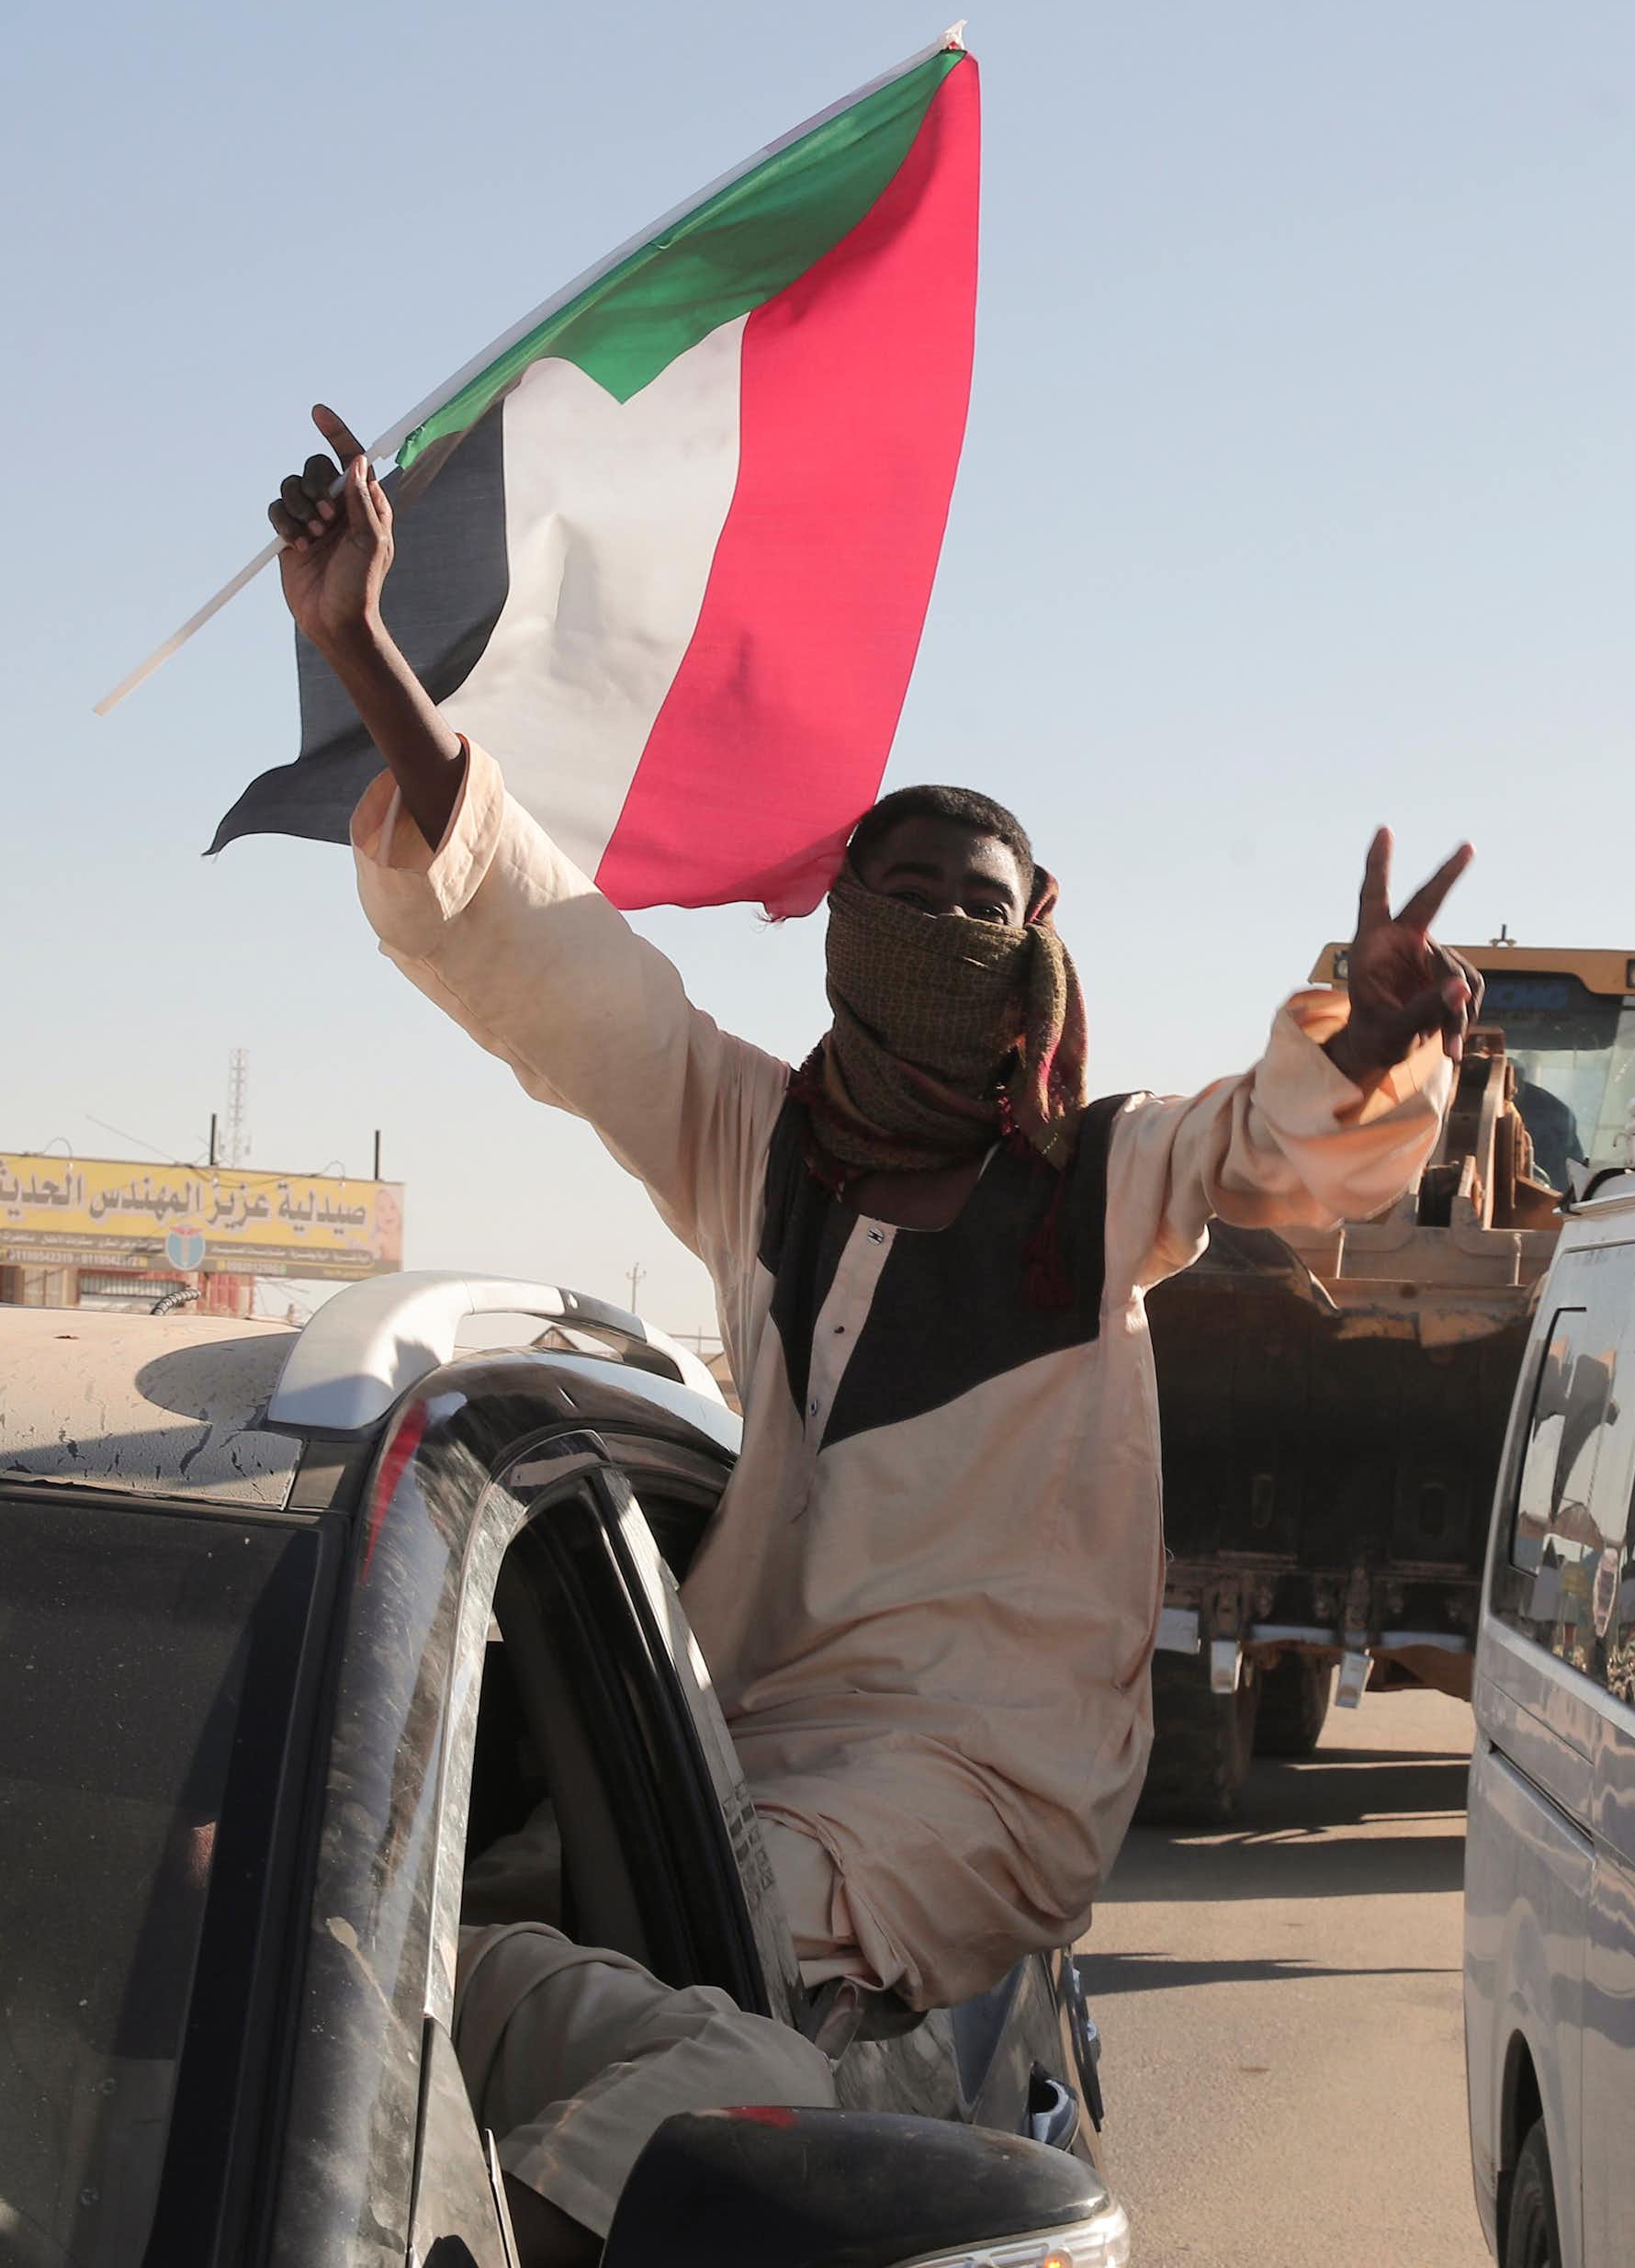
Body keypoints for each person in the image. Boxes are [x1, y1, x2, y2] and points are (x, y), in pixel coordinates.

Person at [265, 403, 1483, 2249]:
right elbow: (544, 958)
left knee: (667, 1948)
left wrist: (1372, 1037)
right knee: (430, 1936)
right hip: (754, 1731)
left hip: (979, 1777)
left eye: (969, 906)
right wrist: (359, 645)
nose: (929, 925)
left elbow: (1276, 1143)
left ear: (1033, 946)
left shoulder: (1089, 1188)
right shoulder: (754, 1142)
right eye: (897, 893)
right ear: (837, 925)